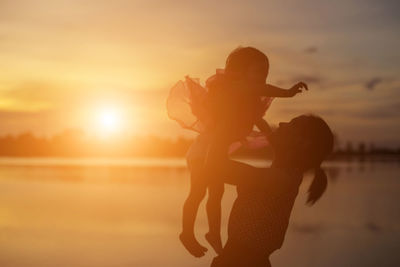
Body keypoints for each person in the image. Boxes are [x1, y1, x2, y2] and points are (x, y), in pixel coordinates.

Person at [167, 47, 308, 257]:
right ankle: (187, 233)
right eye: (258, 71)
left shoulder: (247, 97)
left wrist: (269, 133)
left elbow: (256, 117)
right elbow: (264, 89)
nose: (262, 78)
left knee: (217, 192)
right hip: (203, 150)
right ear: (240, 72)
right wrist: (287, 93)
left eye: (265, 73)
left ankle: (213, 234)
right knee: (198, 193)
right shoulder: (234, 88)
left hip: (217, 150)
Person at [210, 115, 334, 267]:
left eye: (292, 124)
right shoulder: (281, 175)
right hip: (237, 259)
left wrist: (221, 129)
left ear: (303, 143)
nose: (282, 123)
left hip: (243, 261)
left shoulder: (283, 179)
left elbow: (217, 169)